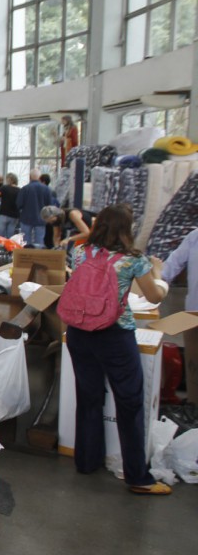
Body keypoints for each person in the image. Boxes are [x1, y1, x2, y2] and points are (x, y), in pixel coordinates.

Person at [62, 204, 169, 495]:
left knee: (89, 397)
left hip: (79, 332)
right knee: (130, 402)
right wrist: (158, 273)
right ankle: (138, 477)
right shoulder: (134, 260)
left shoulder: (81, 252)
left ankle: (86, 461)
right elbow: (153, 295)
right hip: (114, 335)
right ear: (127, 228)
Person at [161, 227, 198, 405]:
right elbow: (171, 266)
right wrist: (155, 285)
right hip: (194, 315)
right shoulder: (194, 237)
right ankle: (194, 410)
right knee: (194, 370)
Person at [17, 168, 54, 248]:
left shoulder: (25, 189)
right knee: (40, 241)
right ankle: (38, 256)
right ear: (39, 177)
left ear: (30, 177)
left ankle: (26, 256)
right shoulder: (47, 189)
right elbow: (50, 205)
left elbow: (19, 204)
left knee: (26, 241)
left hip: (26, 218)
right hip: (41, 219)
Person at [0, 173, 21, 239]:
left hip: (3, 214)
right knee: (11, 236)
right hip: (14, 216)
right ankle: (10, 249)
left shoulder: (4, 188)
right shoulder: (20, 190)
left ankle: (0, 248)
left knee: (0, 236)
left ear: (9, 180)